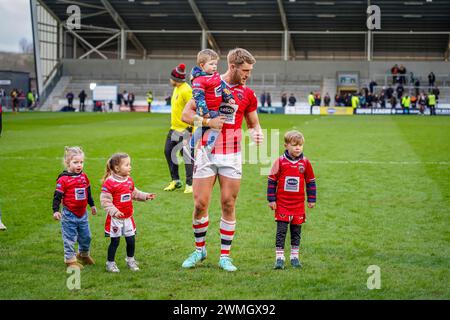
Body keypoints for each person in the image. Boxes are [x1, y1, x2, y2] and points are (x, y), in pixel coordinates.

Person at [180, 48, 263, 272]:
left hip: (232, 154)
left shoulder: (248, 94)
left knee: (228, 203)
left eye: (250, 71)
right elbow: (186, 115)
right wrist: (207, 123)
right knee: (200, 204)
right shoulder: (209, 83)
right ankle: (200, 250)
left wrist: (257, 132)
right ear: (233, 67)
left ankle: (225, 256)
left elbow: (254, 123)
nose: (248, 74)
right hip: (205, 152)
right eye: (245, 70)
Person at [267, 130, 316, 269]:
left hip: (298, 204)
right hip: (282, 203)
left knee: (296, 231)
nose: (298, 148)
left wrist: (311, 199)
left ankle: (294, 257)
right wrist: (271, 199)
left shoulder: (305, 162)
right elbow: (272, 181)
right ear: (286, 145)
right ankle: (279, 258)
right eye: (294, 145)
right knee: (281, 231)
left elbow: (310, 181)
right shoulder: (280, 162)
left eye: (300, 145)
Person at [101, 153, 156, 273]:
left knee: (131, 240)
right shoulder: (109, 183)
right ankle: (110, 263)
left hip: (128, 217)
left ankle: (130, 260)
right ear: (117, 168)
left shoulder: (129, 181)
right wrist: (115, 212)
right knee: (115, 242)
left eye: (129, 164)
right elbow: (105, 201)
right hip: (115, 219)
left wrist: (146, 196)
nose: (130, 167)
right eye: (127, 165)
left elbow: (134, 193)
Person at [52, 146, 97, 269]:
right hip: (69, 214)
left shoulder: (84, 176)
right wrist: (56, 210)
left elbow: (88, 192)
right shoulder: (63, 179)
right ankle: (70, 260)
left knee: (86, 236)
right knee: (70, 238)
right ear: (68, 162)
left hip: (83, 213)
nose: (79, 165)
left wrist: (92, 205)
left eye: (81, 162)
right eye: (75, 162)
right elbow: (57, 196)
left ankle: (83, 255)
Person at [190, 49, 236, 154]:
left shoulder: (215, 76)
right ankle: (197, 145)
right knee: (211, 127)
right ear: (202, 65)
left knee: (206, 127)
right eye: (211, 64)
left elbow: (223, 87)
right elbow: (198, 97)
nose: (214, 66)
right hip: (208, 110)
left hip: (215, 109)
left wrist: (229, 97)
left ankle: (202, 146)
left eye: (215, 64)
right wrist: (203, 111)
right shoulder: (199, 80)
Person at [163, 63, 194, 193]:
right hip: (174, 128)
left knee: (186, 156)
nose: (170, 80)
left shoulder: (186, 90)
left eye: (171, 78)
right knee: (168, 151)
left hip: (185, 129)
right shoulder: (177, 88)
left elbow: (194, 108)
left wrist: (190, 129)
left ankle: (190, 184)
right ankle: (175, 181)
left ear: (175, 79)